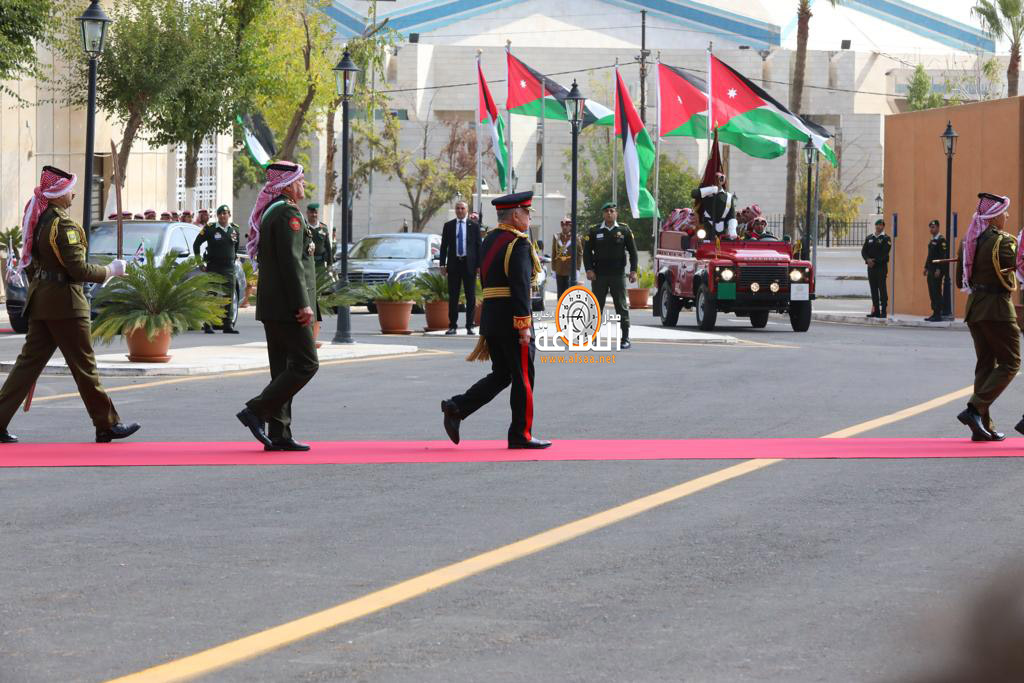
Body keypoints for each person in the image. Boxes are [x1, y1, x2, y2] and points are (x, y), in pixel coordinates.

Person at [0, 166, 139, 443]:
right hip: (66, 305)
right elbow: (78, 270)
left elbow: (32, 265)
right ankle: (107, 424)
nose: (73, 195)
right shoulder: (63, 225)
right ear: (59, 194)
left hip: (42, 302)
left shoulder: (40, 221)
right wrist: (111, 270)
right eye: (69, 190)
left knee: (27, 366)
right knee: (84, 366)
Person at [441, 191, 550, 450]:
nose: (528, 217)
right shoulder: (519, 243)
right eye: (526, 213)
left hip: (492, 318)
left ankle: (457, 407)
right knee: (523, 376)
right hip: (513, 319)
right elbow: (521, 287)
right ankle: (521, 434)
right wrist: (524, 325)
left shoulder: (490, 240)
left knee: (502, 374)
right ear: (515, 215)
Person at [236, 162, 320, 451]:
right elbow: (291, 262)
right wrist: (303, 304)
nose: (303, 186)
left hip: (274, 306)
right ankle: (256, 410)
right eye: (300, 181)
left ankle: (280, 432)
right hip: (288, 307)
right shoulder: (287, 213)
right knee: (307, 363)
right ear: (286, 185)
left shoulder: (275, 211)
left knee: (283, 368)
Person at [954, 193, 1019, 442]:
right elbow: (1019, 267)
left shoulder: (968, 240)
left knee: (985, 365)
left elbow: (962, 276)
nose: (1007, 216)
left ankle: (983, 426)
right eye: (1004, 213)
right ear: (993, 218)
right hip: (997, 310)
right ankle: (974, 409)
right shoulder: (1002, 242)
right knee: (1011, 362)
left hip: (975, 309)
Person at [583, 202, 638, 350]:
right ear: (603, 214)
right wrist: (588, 269)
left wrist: (633, 270)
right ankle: (593, 337)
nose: (609, 213)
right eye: (606, 211)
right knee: (596, 307)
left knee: (621, 307)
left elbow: (633, 252)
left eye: (612, 211)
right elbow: (587, 252)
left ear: (616, 214)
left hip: (617, 275)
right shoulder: (594, 231)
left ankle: (625, 338)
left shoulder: (624, 230)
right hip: (599, 275)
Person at [193, 204, 240, 334]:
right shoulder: (210, 229)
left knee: (228, 296)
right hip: (214, 266)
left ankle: (227, 325)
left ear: (229, 215)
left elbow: (235, 247)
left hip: (229, 267)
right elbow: (196, 244)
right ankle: (208, 325)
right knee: (211, 296)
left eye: (225, 213)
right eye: (220, 213)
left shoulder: (234, 229)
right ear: (217, 216)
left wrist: (234, 258)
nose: (223, 216)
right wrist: (200, 262)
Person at [439, 200, 482, 335]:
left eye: (462, 208)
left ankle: (470, 325)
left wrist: (479, 266)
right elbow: (444, 246)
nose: (459, 210)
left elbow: (479, 247)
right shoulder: (448, 226)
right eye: (457, 208)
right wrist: (442, 264)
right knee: (453, 297)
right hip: (454, 264)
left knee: (471, 296)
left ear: (467, 210)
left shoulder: (474, 226)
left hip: (469, 265)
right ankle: (452, 326)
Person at [690, 171, 738, 240]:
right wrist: (711, 189)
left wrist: (732, 230)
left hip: (723, 228)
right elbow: (694, 194)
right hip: (708, 226)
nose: (718, 180)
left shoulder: (728, 197)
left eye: (721, 177)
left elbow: (732, 215)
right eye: (716, 177)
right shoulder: (707, 193)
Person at [862, 218, 891, 318]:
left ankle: (883, 311)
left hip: (881, 268)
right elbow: (863, 251)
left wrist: (874, 261)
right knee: (873, 290)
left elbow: (884, 253)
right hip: (871, 268)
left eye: (880, 225)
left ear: (883, 226)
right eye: (877, 225)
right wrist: (867, 260)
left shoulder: (886, 239)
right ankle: (876, 311)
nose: (878, 226)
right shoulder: (869, 237)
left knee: (882, 289)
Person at [923, 218, 949, 322]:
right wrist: (925, 267)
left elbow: (943, 256)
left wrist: (939, 269)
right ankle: (934, 312)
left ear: (938, 227)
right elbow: (929, 256)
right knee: (932, 291)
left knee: (936, 291)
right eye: (930, 228)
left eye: (933, 227)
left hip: (937, 270)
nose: (931, 229)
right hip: (931, 269)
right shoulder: (932, 240)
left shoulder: (941, 240)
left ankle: (938, 314)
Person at [306, 202, 333, 273]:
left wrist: (329, 264)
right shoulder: (304, 227)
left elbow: (328, 247)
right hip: (307, 263)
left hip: (320, 264)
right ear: (307, 213)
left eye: (316, 212)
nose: (314, 215)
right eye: (311, 213)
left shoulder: (324, 228)